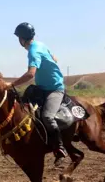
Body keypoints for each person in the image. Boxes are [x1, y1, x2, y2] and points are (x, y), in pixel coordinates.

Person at [6, 22, 67, 166]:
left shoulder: (33, 50)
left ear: (22, 39)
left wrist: (12, 84)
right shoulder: (40, 45)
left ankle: (59, 148)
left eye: (19, 38)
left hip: (54, 89)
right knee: (23, 108)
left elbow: (30, 74)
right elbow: (55, 58)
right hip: (41, 87)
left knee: (47, 116)